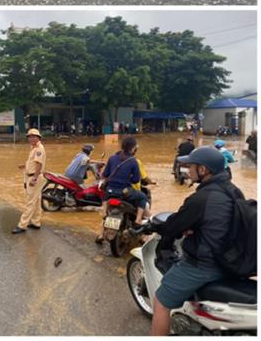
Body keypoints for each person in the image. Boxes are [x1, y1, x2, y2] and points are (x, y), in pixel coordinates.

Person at [150, 146, 247, 336]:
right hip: (232, 261)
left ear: (203, 170)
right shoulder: (234, 191)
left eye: (191, 166)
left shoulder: (200, 199)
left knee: (160, 302)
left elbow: (172, 226)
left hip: (205, 265)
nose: (187, 169)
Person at [100, 135, 150, 227]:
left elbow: (105, 174)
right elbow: (135, 180)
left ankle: (104, 213)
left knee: (105, 195)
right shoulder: (133, 161)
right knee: (143, 197)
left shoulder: (112, 158)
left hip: (110, 191)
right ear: (133, 148)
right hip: (124, 192)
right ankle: (138, 219)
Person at [12, 128, 46, 233]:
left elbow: (39, 165)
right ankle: (36, 222)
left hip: (34, 177)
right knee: (36, 202)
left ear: (38, 138)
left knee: (30, 202)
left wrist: (34, 178)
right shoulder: (33, 148)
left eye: (33, 136)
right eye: (29, 137)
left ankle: (22, 225)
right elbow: (34, 163)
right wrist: (25, 166)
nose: (31, 138)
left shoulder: (39, 149)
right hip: (30, 176)